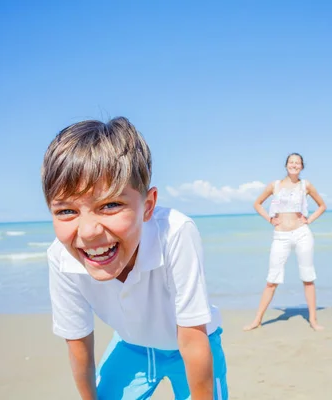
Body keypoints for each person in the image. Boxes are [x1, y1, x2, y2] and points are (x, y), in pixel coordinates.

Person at [42, 117, 228, 400]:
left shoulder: (175, 232)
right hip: (131, 345)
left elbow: (192, 335)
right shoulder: (61, 256)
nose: (88, 232)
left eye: (111, 205)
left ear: (148, 206)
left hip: (193, 342)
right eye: (66, 211)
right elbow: (78, 339)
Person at [244, 153, 327, 332]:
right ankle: (257, 320)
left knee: (308, 277)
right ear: (286, 165)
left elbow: (322, 205)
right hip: (280, 236)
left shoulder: (306, 185)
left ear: (302, 167)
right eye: (291, 162)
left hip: (302, 234)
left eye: (298, 163)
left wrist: (309, 220)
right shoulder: (275, 185)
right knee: (271, 280)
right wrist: (269, 219)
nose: (294, 165)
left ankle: (313, 320)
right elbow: (257, 204)